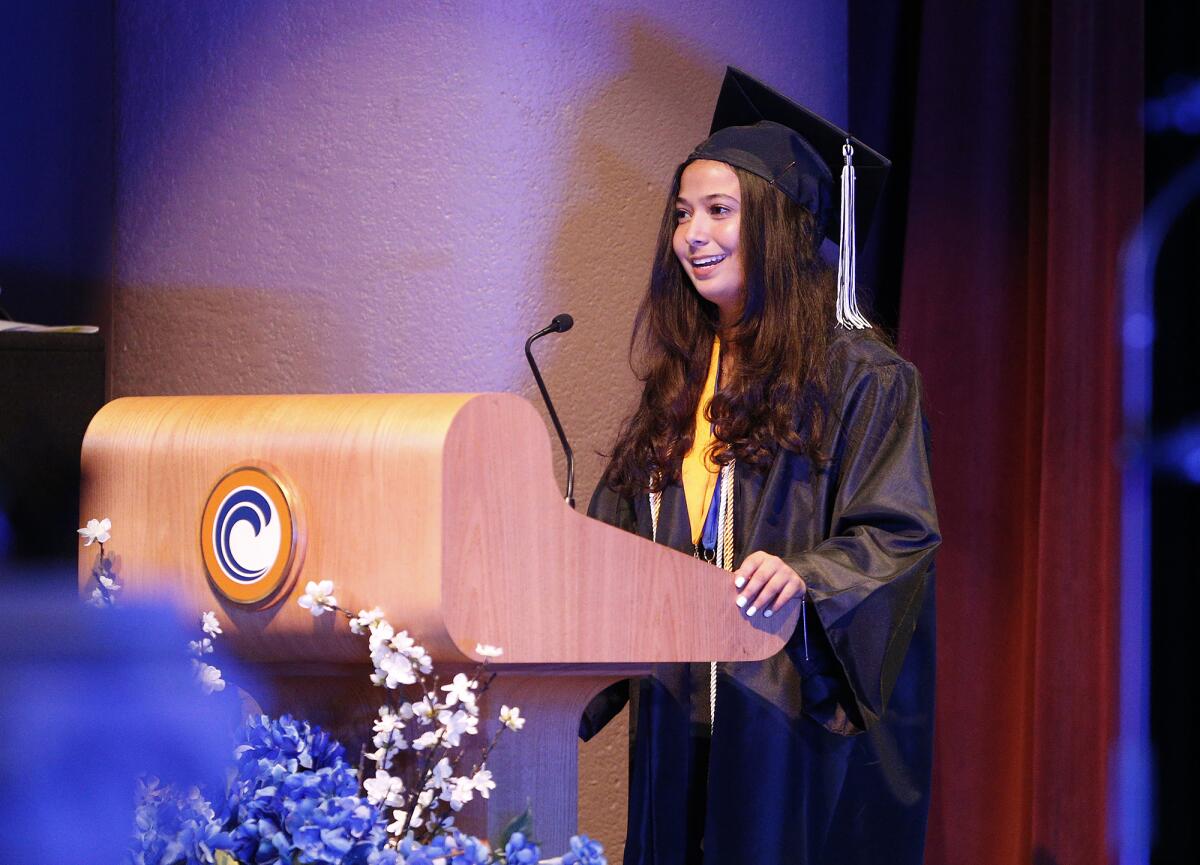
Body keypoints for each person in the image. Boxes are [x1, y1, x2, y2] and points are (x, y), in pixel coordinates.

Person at [583, 68, 941, 865]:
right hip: (679, 717)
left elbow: (899, 536)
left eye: (719, 211)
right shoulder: (678, 382)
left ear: (781, 225)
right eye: (682, 215)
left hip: (788, 724)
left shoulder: (863, 378)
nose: (692, 236)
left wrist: (808, 576)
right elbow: (615, 543)